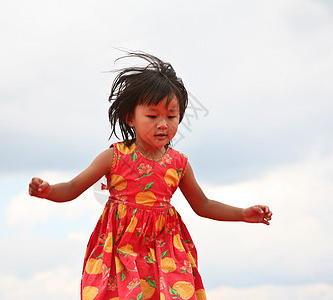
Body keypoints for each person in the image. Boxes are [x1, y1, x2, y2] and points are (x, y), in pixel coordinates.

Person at [28, 52, 272, 300]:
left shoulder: (179, 164)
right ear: (130, 118)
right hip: (121, 252)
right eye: (153, 116)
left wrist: (242, 214)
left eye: (171, 116)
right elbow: (71, 188)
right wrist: (47, 191)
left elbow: (203, 205)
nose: (163, 124)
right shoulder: (114, 157)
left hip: (165, 253)